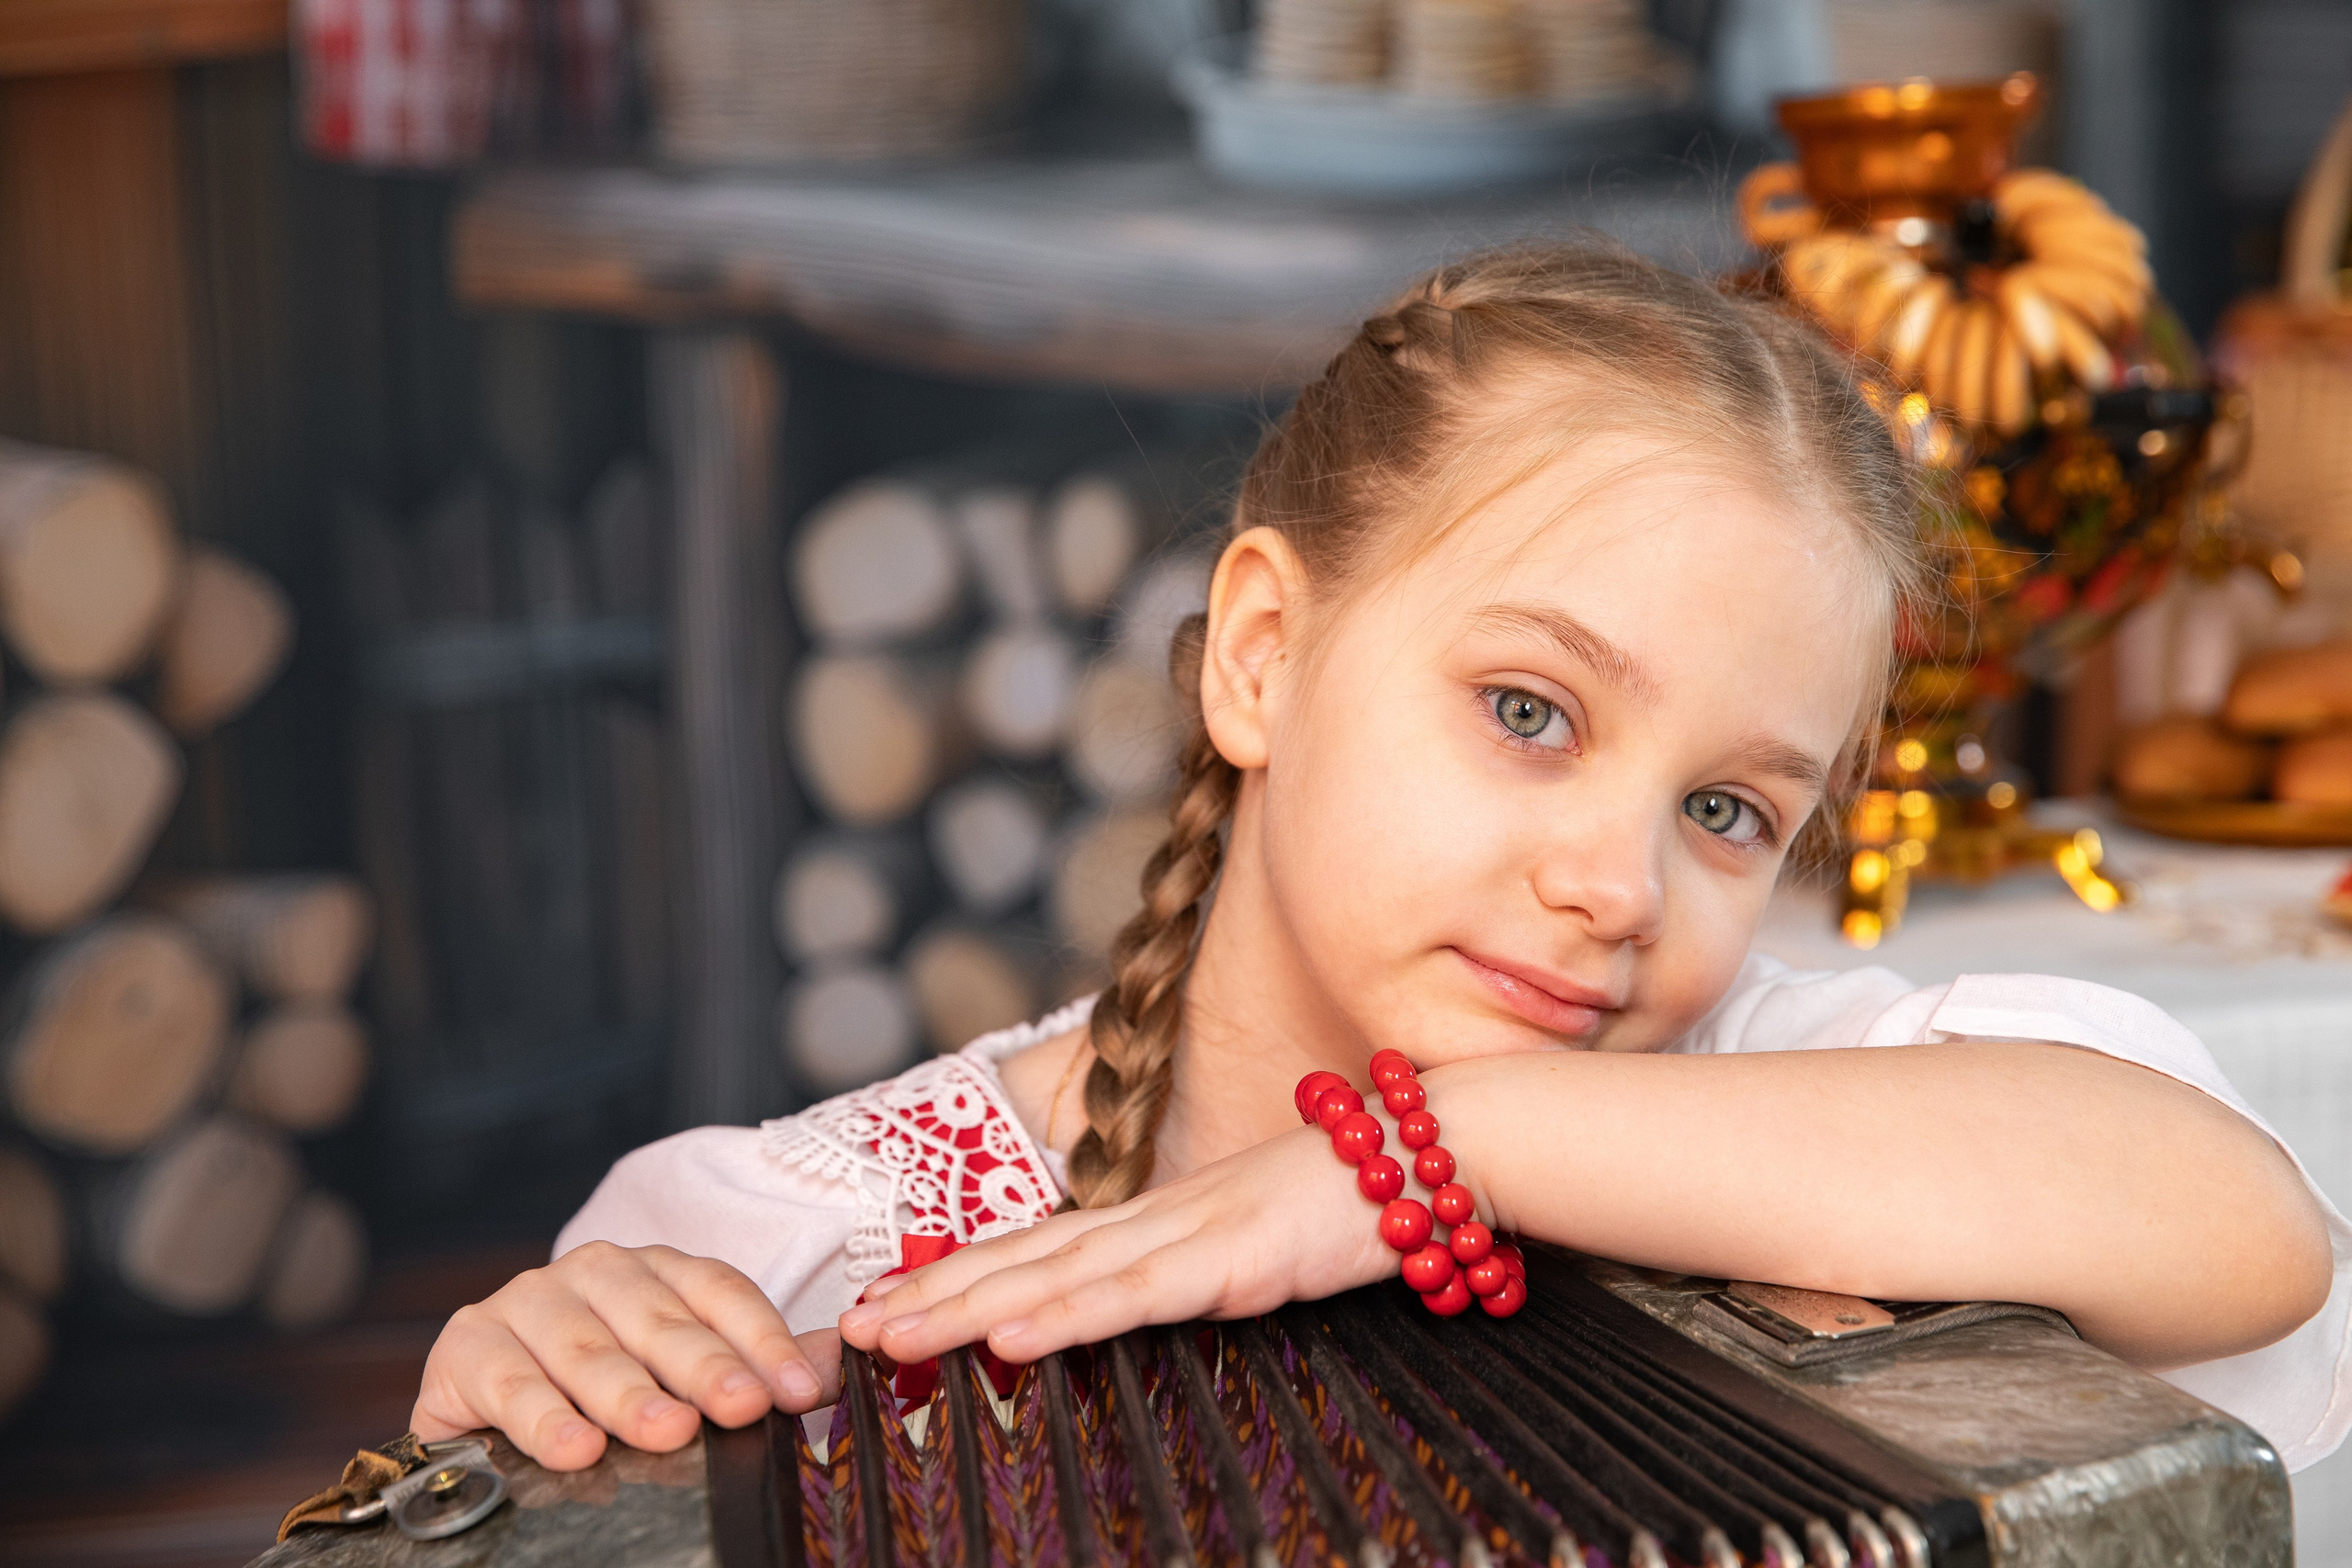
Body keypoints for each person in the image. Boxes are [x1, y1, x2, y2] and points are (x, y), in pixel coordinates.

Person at [410, 245, 2347, 1478]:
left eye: (1728, 809)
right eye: (1528, 709)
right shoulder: (802, 1244)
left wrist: (1437, 1153)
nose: (1617, 880)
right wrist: (536, 1398)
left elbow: (2235, 1232)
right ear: (1263, 651)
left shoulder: (1770, 1115)